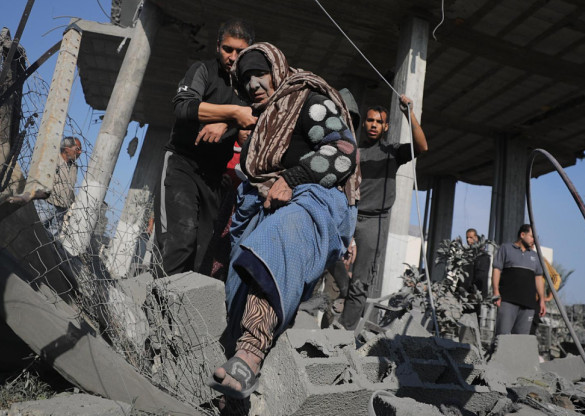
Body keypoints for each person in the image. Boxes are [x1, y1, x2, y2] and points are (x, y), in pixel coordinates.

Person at [207, 43, 361, 399]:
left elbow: (344, 151)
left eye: (260, 74)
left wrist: (292, 179)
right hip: (262, 204)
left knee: (277, 240)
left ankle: (250, 356)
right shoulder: (263, 122)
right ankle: (244, 382)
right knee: (241, 279)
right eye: (245, 79)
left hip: (310, 200)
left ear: (276, 70)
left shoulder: (307, 99)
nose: (254, 85)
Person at [154, 18, 256, 276]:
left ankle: (181, 311)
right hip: (182, 165)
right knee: (181, 240)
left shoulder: (249, 89)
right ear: (218, 47)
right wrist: (231, 114)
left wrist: (231, 125)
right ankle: (155, 306)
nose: (233, 57)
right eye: (227, 49)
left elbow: (253, 126)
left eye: (240, 51)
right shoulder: (204, 70)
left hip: (213, 178)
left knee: (202, 254)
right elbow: (184, 106)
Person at [337, 95, 428, 330]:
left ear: (386, 126)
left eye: (379, 121)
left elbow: (422, 146)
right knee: (325, 256)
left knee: (361, 282)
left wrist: (409, 114)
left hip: (374, 221)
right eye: (370, 120)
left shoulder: (392, 152)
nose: (374, 125)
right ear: (364, 123)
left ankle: (344, 332)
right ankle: (342, 292)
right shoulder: (352, 151)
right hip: (348, 214)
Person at [492, 224, 546, 335]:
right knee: (502, 336)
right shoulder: (506, 248)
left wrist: (542, 300)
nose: (534, 240)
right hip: (507, 301)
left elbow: (539, 278)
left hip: (528, 305)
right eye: (532, 236)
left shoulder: (536, 256)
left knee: (521, 341)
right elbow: (496, 269)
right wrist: (496, 292)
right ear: (522, 234)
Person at [45, 136, 81, 234]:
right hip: (47, 204)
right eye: (77, 149)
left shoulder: (74, 167)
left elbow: (70, 187)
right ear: (66, 149)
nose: (80, 152)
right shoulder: (54, 160)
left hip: (62, 209)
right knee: (38, 228)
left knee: (52, 237)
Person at [530, 255, 561, 335]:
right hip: (516, 301)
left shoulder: (538, 258)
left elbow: (556, 278)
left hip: (534, 302)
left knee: (529, 333)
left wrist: (549, 296)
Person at [460, 228, 492, 296]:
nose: (468, 240)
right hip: (464, 293)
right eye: (467, 238)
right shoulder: (466, 255)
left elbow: (481, 278)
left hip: (476, 294)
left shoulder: (483, 257)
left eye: (471, 237)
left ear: (476, 237)